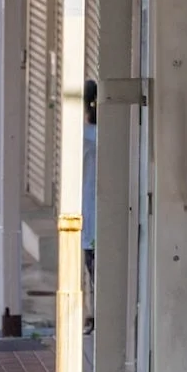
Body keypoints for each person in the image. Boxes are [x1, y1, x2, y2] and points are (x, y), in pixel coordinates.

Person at [82, 79, 98, 335]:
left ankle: (93, 316)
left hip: (87, 213)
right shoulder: (116, 133)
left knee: (92, 269)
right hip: (107, 213)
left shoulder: (82, 136)